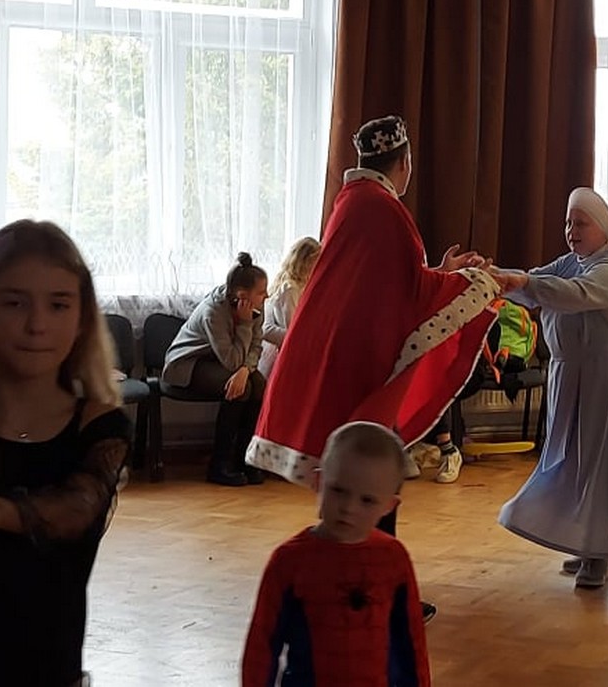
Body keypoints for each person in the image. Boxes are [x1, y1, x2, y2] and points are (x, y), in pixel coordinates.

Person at [0, 219, 131, 687]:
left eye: (59, 305)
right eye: (15, 303)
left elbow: (77, 508)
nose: (37, 325)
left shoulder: (99, 426)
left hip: (48, 673)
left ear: (81, 318)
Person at [247, 114, 499, 493]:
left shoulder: (350, 202)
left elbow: (384, 286)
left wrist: (440, 273)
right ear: (404, 162)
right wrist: (472, 282)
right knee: (365, 477)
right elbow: (409, 290)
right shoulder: (386, 210)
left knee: (351, 475)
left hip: (337, 348)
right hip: (360, 359)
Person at [490, 187, 608, 589]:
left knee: (602, 463)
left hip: (606, 378)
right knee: (577, 463)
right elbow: (537, 280)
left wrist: (519, 281)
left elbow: (572, 294)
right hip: (575, 377)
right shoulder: (572, 262)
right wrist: (496, 277)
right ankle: (592, 546)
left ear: (604, 229)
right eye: (568, 223)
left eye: (580, 223)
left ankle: (600, 554)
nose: (571, 230)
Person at [242, 421, 430, 687]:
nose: (349, 508)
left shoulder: (393, 558)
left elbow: (411, 642)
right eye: (338, 490)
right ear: (319, 482)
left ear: (389, 506)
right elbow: (262, 645)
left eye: (367, 500)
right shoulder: (289, 562)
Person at [163, 252, 270, 487]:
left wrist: (246, 370)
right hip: (188, 364)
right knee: (241, 390)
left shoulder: (255, 307)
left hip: (222, 361)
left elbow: (256, 345)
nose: (267, 296)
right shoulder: (214, 312)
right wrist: (244, 324)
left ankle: (245, 459)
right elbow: (232, 361)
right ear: (242, 296)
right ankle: (220, 465)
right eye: (262, 292)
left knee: (260, 385)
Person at [259, 236, 322, 380]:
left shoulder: (296, 285)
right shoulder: (291, 289)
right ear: (304, 263)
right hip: (285, 352)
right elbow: (293, 327)